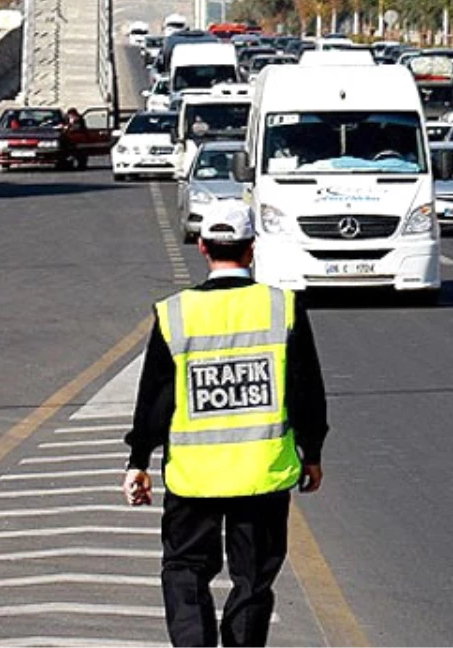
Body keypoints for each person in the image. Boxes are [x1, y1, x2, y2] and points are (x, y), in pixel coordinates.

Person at [123, 200, 328, 648]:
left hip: (193, 477)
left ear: (202, 247)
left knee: (184, 569)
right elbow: (307, 391)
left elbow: (155, 397)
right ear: (252, 248)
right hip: (261, 474)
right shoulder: (284, 307)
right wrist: (312, 453)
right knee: (253, 577)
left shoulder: (175, 313)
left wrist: (138, 460)